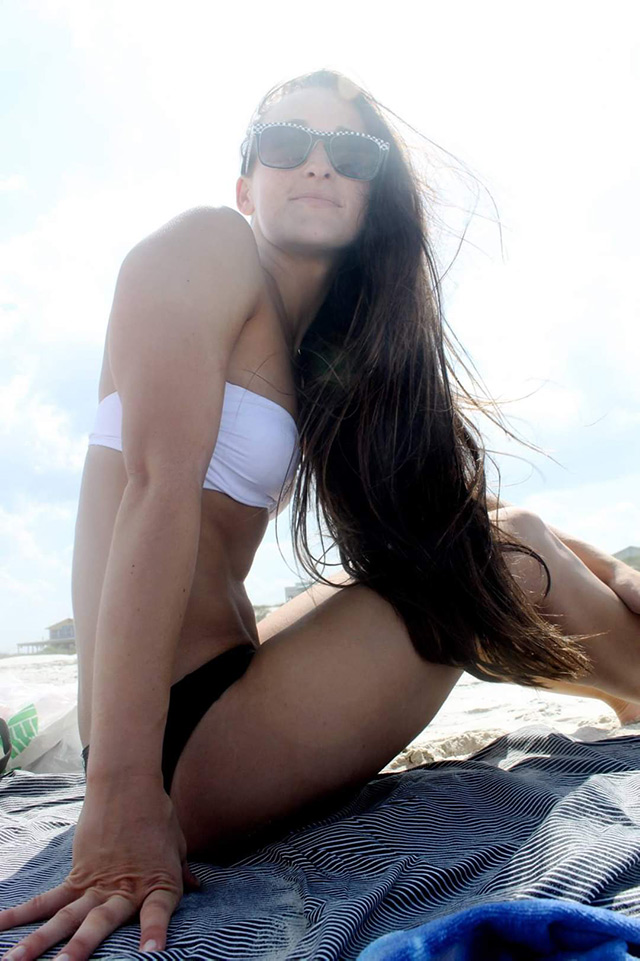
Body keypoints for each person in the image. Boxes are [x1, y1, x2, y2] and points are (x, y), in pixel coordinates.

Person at [1, 68, 639, 961]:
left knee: (517, 535)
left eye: (349, 151)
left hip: (227, 682)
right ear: (244, 184)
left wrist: (610, 571)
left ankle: (625, 665)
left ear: (374, 191)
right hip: (170, 738)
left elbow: (437, 515)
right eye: (284, 144)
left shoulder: (326, 354)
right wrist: (117, 797)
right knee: (509, 561)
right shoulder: (206, 247)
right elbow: (154, 488)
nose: (316, 164)